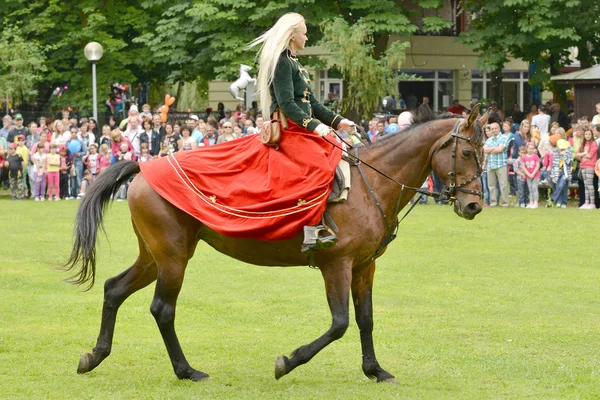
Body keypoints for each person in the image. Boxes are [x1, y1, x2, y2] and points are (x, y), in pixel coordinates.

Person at [248, 12, 355, 257]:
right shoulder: (282, 61)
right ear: (293, 35)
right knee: (319, 165)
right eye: (304, 33)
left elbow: (313, 104)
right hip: (289, 130)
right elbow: (286, 104)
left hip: (301, 127)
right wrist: (314, 126)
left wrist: (339, 122)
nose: (307, 37)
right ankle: (311, 227)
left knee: (339, 151)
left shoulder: (295, 62)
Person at [483, 122, 509, 207]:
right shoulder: (489, 139)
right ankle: (493, 203)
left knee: (503, 185)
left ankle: (505, 203)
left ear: (499, 128)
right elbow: (484, 150)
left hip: (501, 164)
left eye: (495, 128)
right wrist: (495, 148)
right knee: (491, 186)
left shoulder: (503, 138)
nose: (494, 130)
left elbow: (500, 150)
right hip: (490, 165)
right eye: (492, 129)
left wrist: (491, 150)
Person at [576, 129, 598, 208]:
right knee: (585, 185)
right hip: (582, 166)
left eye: (589, 134)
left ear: (592, 135)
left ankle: (592, 203)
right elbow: (576, 155)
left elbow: (590, 155)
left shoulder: (594, 144)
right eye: (586, 134)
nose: (587, 136)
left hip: (590, 166)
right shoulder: (583, 144)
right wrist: (584, 153)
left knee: (590, 184)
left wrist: (582, 155)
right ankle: (586, 202)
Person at [550, 139, 573, 208]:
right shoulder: (555, 154)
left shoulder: (568, 153)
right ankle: (559, 202)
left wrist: (564, 156)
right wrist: (553, 176)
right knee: (559, 187)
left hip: (565, 174)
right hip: (557, 173)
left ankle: (553, 199)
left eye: (563, 148)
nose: (562, 150)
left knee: (561, 186)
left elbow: (569, 163)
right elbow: (553, 166)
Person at [523, 142, 541, 208]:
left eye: (532, 149)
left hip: (536, 175)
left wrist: (533, 174)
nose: (531, 150)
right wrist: (528, 174)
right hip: (528, 175)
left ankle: (535, 202)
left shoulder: (535, 156)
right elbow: (523, 167)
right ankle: (531, 202)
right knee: (530, 189)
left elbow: (537, 166)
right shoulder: (524, 157)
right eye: (529, 149)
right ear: (527, 149)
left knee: (534, 188)